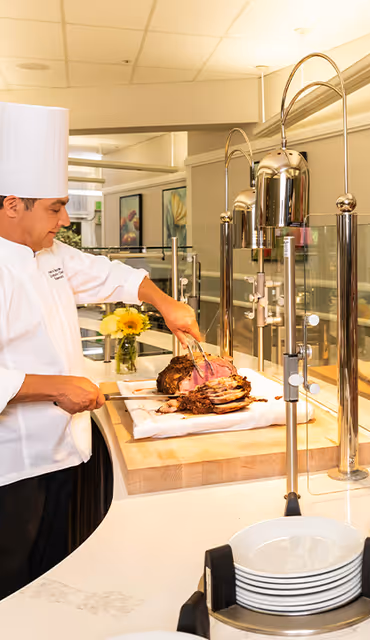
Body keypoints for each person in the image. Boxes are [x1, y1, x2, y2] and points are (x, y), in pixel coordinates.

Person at [0, 102, 202, 599]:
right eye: (54, 207)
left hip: (67, 453)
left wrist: (168, 303)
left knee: (59, 582)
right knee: (14, 589)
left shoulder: (48, 252)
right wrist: (53, 387)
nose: (65, 219)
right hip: (13, 472)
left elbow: (113, 275)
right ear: (11, 205)